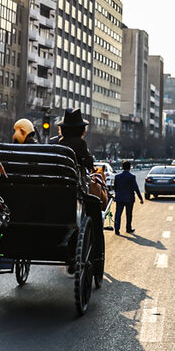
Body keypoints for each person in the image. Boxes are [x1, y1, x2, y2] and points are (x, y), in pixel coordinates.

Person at [51, 109, 104, 261]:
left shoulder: (59, 144)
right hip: (74, 191)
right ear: (81, 129)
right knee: (95, 210)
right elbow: (89, 164)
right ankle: (96, 254)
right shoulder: (80, 143)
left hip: (56, 188)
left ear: (63, 129)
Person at [112, 160, 143, 236]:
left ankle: (117, 229)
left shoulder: (117, 177)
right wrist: (140, 198)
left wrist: (117, 194)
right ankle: (128, 228)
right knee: (129, 214)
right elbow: (136, 188)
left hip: (119, 198)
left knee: (118, 213)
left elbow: (115, 188)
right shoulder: (131, 177)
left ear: (122, 167)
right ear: (130, 168)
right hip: (129, 198)